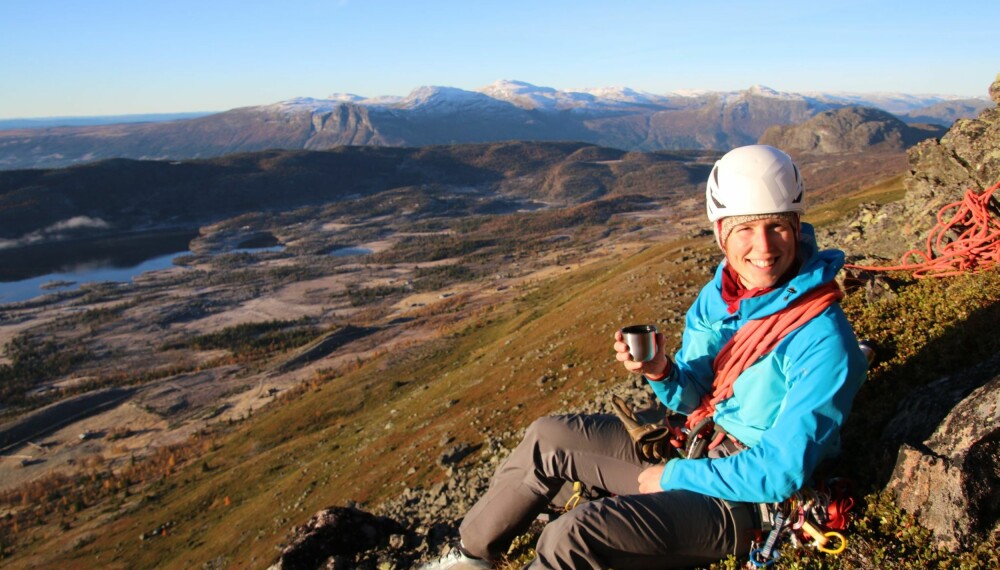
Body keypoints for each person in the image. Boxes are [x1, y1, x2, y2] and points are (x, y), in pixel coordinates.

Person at [419, 145, 868, 569]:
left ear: (796, 227)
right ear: (720, 234)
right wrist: (663, 371)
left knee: (573, 533)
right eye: (745, 229)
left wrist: (671, 478)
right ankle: (469, 555)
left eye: (777, 227)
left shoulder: (823, 341)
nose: (764, 248)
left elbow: (779, 472)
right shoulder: (722, 296)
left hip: (746, 503)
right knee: (549, 437)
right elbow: (696, 399)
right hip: (700, 448)